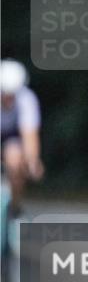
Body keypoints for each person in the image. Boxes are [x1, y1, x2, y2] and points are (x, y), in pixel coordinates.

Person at [0, 59, 43, 216]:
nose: (9, 97)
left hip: (13, 139)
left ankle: (14, 206)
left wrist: (32, 162)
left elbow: (29, 135)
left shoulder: (27, 99)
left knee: (15, 157)